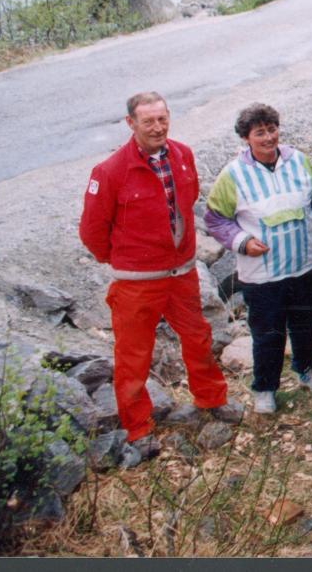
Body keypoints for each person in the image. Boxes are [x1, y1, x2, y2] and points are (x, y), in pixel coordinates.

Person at [79, 92, 240, 460]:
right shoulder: (109, 171)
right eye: (148, 121)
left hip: (181, 274)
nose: (157, 127)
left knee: (198, 337)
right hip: (136, 282)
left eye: (162, 119)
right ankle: (138, 429)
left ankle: (211, 399)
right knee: (134, 356)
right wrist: (122, 260)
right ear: (131, 124)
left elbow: (187, 201)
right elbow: (92, 230)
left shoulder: (182, 155)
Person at [204, 103, 312, 414]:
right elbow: (215, 219)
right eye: (260, 132)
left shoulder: (299, 162)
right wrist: (242, 241)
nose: (268, 137)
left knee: (305, 324)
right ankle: (265, 387)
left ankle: (307, 369)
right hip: (262, 276)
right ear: (246, 138)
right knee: (268, 334)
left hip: (303, 266)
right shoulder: (233, 175)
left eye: (272, 129)